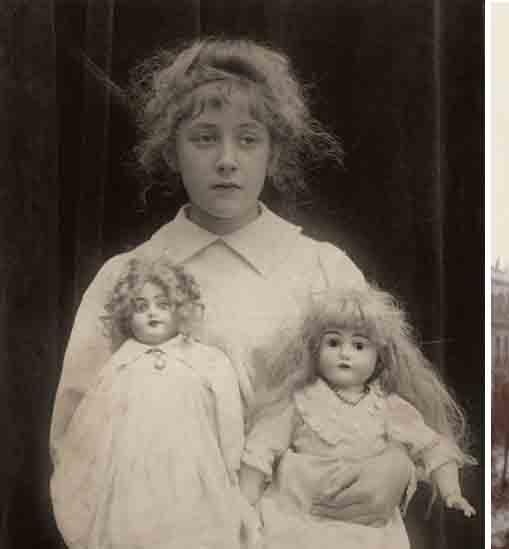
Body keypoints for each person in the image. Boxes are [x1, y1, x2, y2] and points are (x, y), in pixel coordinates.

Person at [50, 37, 413, 532]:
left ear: (273, 152)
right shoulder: (127, 280)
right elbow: (77, 440)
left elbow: (396, 404)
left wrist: (399, 464)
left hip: (314, 532)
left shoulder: (326, 271)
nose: (226, 159)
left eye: (247, 138)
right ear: (172, 150)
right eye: (204, 137)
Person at [240, 285, 476, 548]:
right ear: (314, 349)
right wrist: (244, 502)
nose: (345, 353)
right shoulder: (299, 401)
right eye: (333, 342)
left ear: (380, 356)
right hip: (302, 519)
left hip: (366, 529)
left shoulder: (389, 408)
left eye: (359, 345)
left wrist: (451, 492)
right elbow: (261, 448)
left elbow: (433, 448)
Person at [50, 258, 257, 548]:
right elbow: (92, 421)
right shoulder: (120, 364)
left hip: (193, 471)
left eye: (163, 304)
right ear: (125, 315)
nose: (152, 314)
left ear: (180, 307)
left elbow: (229, 413)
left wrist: (230, 464)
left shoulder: (207, 359)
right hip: (131, 476)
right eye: (140, 306)